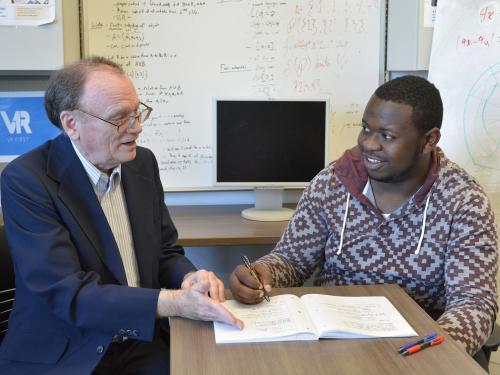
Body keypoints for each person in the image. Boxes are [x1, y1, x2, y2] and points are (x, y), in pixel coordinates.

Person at [229, 75, 498, 369]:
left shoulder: (463, 200)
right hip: (331, 344)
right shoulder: (333, 181)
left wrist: (430, 352)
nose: (369, 144)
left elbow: (473, 303)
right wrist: (262, 272)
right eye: (366, 129)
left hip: (412, 351)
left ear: (429, 140)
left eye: (387, 135)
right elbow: (293, 260)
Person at [0, 56, 242, 375]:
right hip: (69, 349)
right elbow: (69, 293)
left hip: (139, 339)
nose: (136, 128)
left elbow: (164, 252)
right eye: (120, 118)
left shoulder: (141, 163)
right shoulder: (27, 179)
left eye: (137, 113)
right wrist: (174, 302)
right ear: (72, 124)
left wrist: (189, 278)